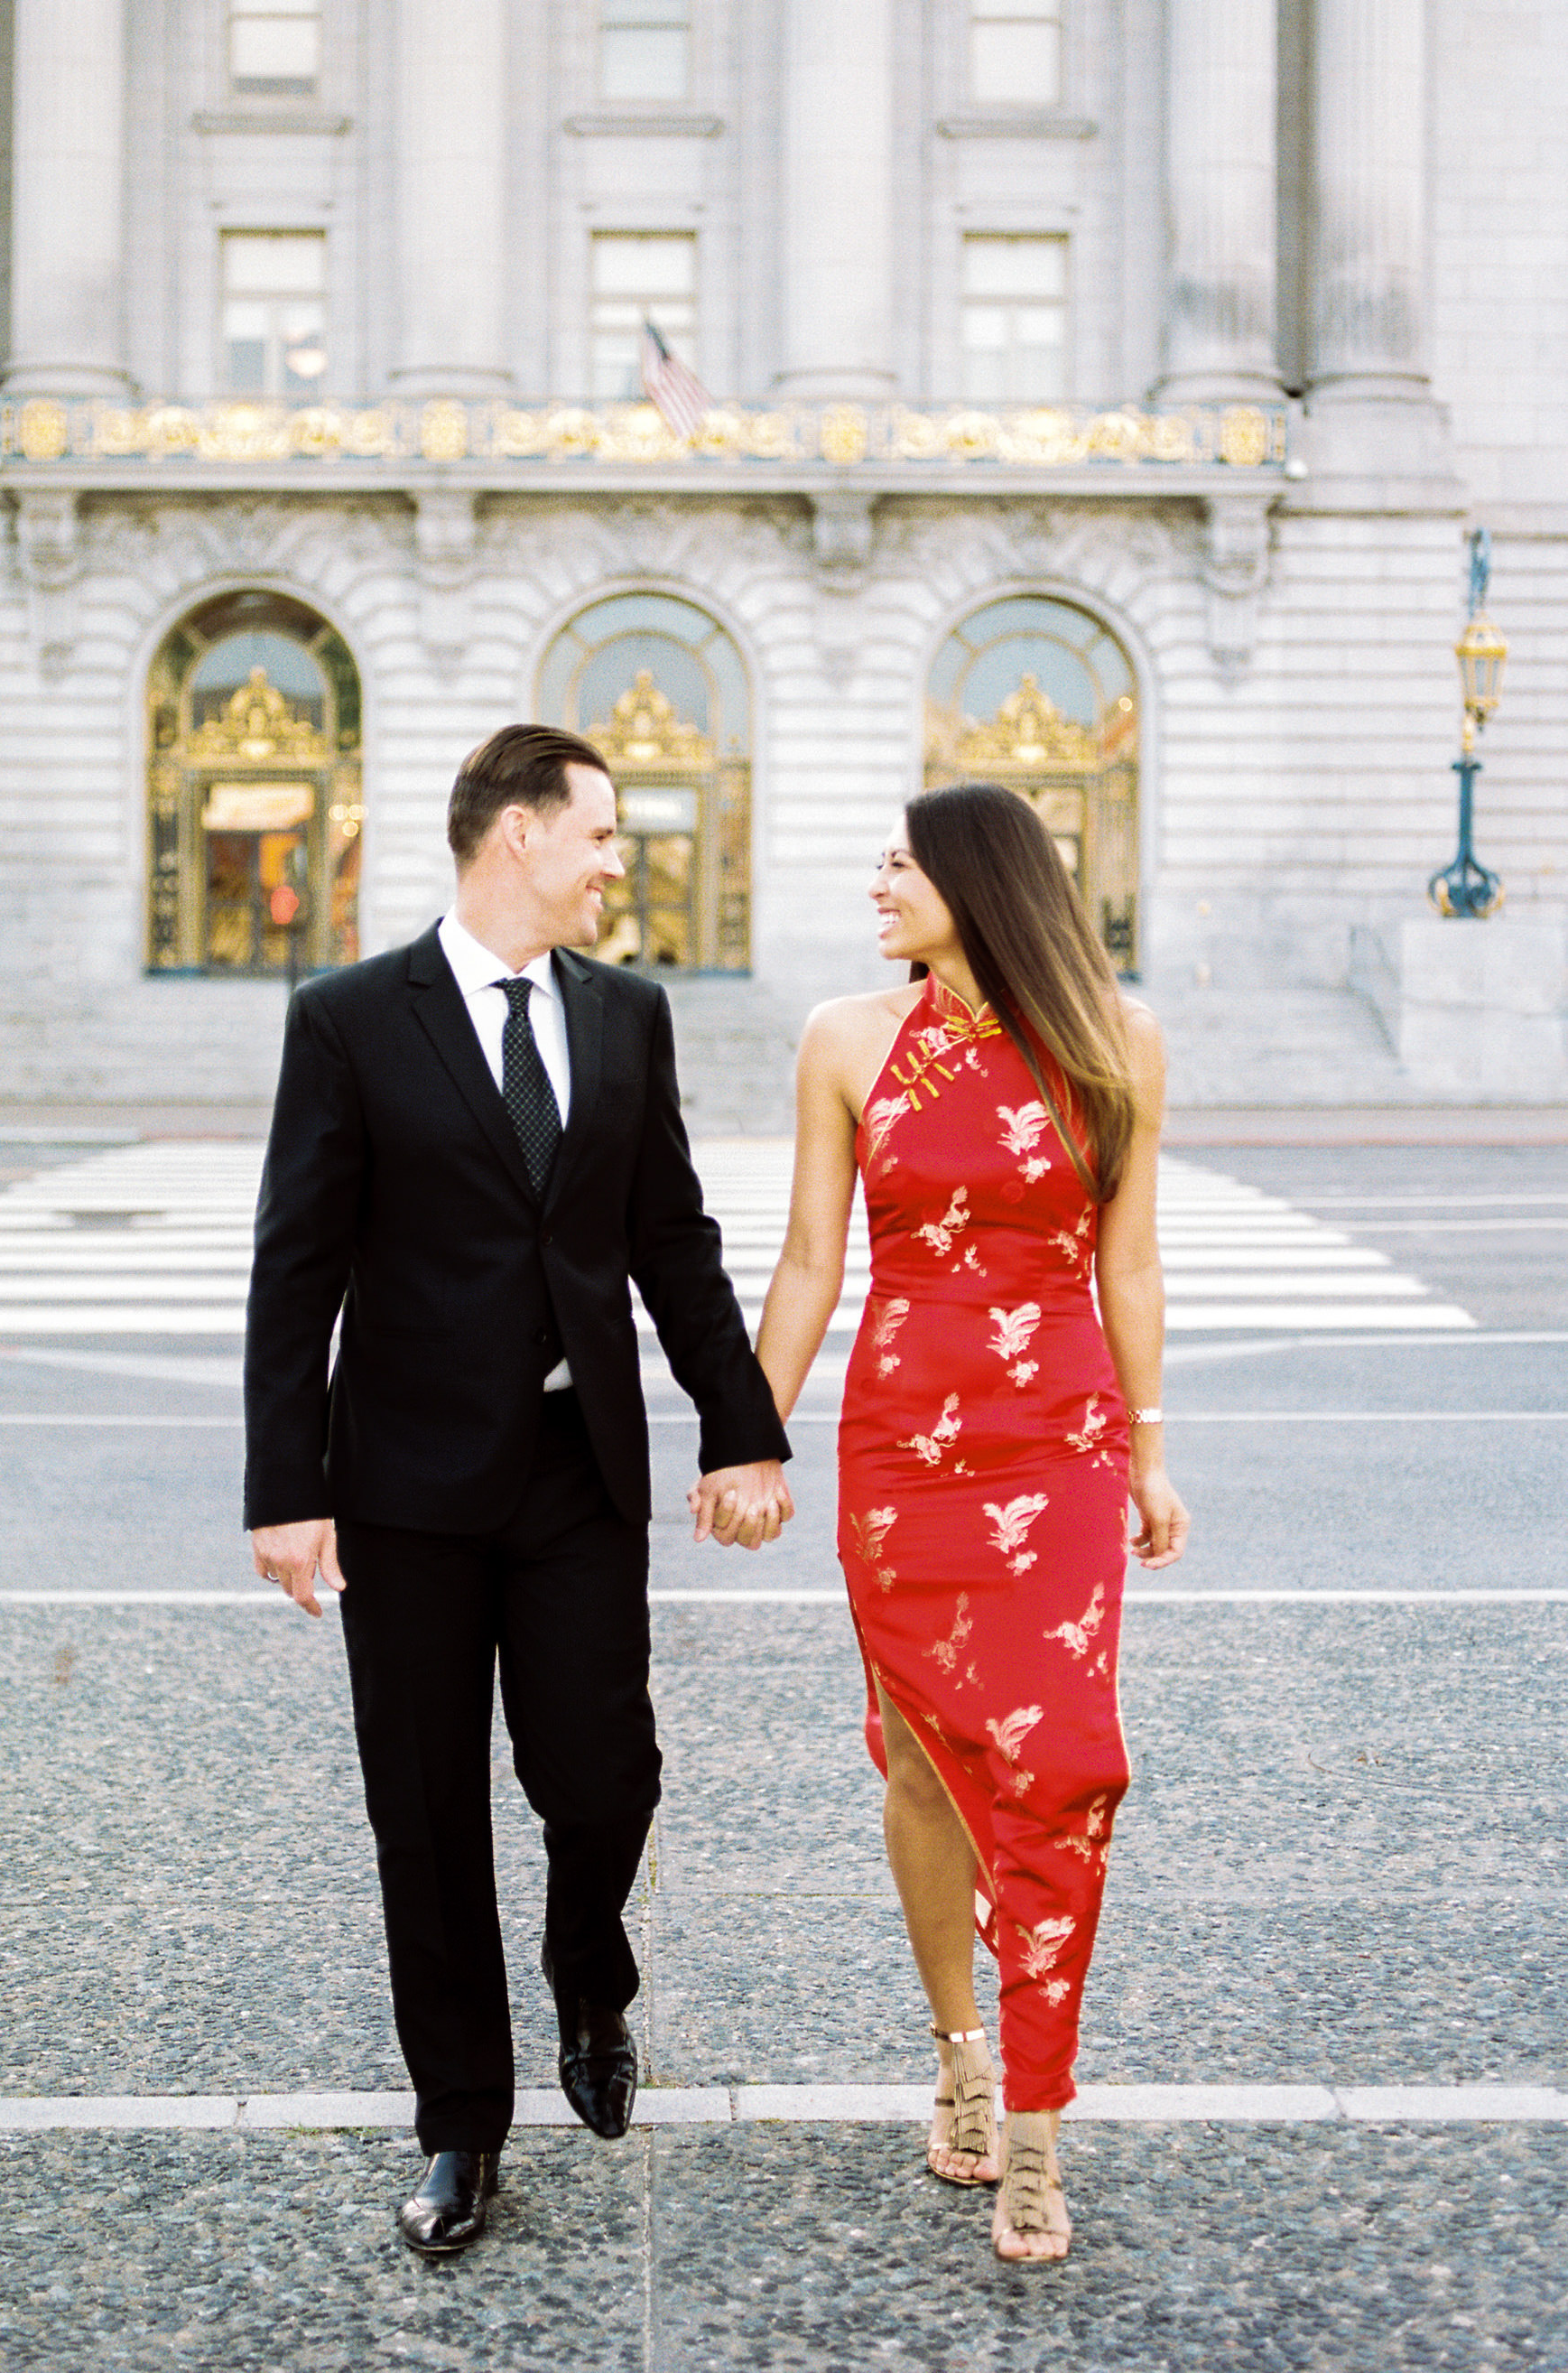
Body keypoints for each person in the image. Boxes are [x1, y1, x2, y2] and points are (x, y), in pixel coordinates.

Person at [244, 723, 793, 2257]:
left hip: (575, 1476)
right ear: (516, 838)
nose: (622, 860)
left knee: (606, 1772)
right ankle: (460, 2129)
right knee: (424, 1815)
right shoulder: (352, 1018)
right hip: (405, 1487)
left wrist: (739, 1429)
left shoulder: (628, 1016)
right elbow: (296, 1266)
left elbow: (672, 1237)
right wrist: (285, 1487)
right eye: (603, 834)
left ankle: (584, 1966)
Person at [752, 780, 1188, 2266]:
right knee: (930, 1766)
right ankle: (964, 2064)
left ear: (980, 878)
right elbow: (814, 1256)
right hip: (900, 1448)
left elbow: (1128, 1264)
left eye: (904, 860)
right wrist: (754, 1435)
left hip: (1057, 1437)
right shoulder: (844, 1039)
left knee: (1063, 1761)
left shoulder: (1113, 1041)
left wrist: (1147, 1453)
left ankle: (1044, 2130)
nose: (880, 878)